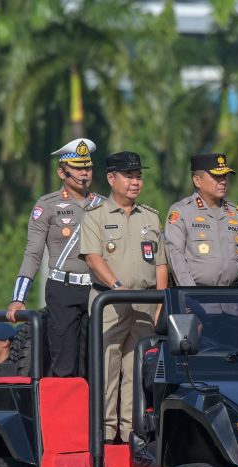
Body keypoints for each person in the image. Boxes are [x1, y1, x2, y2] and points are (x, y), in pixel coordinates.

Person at [80, 151, 169, 442]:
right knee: (108, 367)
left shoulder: (151, 216)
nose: (135, 182)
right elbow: (93, 258)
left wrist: (161, 300)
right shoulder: (96, 216)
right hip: (110, 301)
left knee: (137, 369)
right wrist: (116, 286)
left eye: (138, 176)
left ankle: (132, 431)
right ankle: (105, 434)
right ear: (111, 178)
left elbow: (160, 263)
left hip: (145, 302)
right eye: (129, 176)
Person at [7, 138, 105, 377]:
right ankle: (67, 413)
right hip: (63, 288)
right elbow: (33, 253)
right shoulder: (48, 205)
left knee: (96, 363)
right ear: (62, 172)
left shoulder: (104, 205)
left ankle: (95, 414)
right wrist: (18, 298)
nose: (85, 174)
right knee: (64, 362)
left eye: (88, 167)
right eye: (78, 168)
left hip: (97, 290)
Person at [164, 153, 238, 288]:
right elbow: (175, 257)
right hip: (197, 298)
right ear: (197, 180)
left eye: (224, 176)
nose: (223, 181)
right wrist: (189, 294)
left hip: (231, 299)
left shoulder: (235, 213)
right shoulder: (181, 212)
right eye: (216, 176)